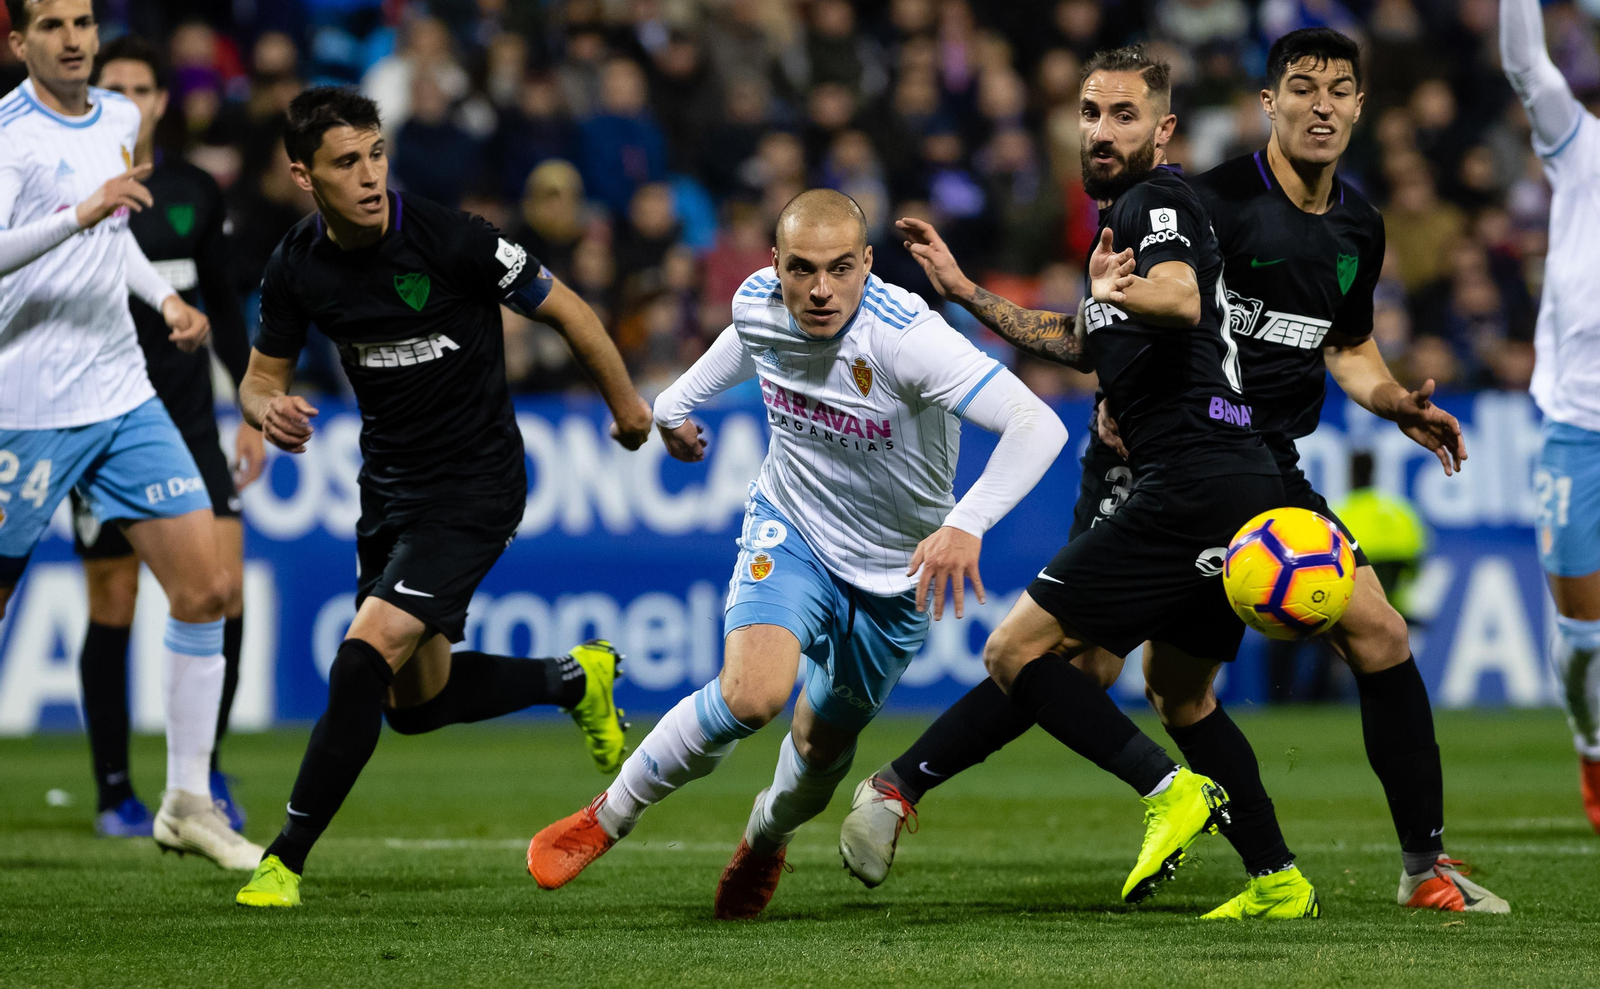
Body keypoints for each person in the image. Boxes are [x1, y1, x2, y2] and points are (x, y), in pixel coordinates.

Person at [842, 31, 1511, 914]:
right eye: (1301, 88)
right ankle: (1270, 873)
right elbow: (1130, 322)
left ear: (1359, 106)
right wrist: (1076, 339)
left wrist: (1394, 402)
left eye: (1339, 91)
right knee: (1128, 676)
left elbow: (1345, 347)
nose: (1321, 105)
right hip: (1168, 454)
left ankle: (1421, 868)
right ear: (1267, 103)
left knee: (1363, 636)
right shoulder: (1206, 201)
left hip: (1243, 462)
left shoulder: (1358, 227)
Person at [848, 45, 1321, 918]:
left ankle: (1167, 793)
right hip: (1239, 484)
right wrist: (963, 292)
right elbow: (1075, 337)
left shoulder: (1157, 200)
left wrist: (1121, 293)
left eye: (1125, 115)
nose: (1103, 132)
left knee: (1015, 651)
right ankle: (1278, 880)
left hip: (1187, 482)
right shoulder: (1123, 228)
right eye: (1091, 114)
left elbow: (1177, 299)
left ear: (1164, 129)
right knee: (1179, 693)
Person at [525, 189, 1068, 920]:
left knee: (819, 744)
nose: (820, 290)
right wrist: (675, 408)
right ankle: (609, 815)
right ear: (774, 264)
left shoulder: (908, 338)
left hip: (894, 574)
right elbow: (743, 343)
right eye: (802, 269)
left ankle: (764, 837)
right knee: (753, 693)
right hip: (794, 529)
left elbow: (1038, 425)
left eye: (841, 269)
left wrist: (966, 522)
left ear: (868, 265)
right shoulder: (759, 303)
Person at [232, 87, 654, 909]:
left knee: (360, 659)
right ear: (302, 176)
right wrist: (264, 410)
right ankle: (576, 678)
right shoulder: (295, 265)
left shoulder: (452, 239)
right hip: (388, 489)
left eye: (375, 154)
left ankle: (283, 859)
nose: (367, 175)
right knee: (414, 706)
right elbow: (258, 379)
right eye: (345, 162)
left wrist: (629, 408)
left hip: (475, 487)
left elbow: (566, 307)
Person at [0, 0, 258, 870]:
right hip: (25, 409)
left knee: (208, 589)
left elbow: (113, 241)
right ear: (17, 42)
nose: (73, 38)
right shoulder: (8, 137)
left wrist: (164, 302)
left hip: (122, 396)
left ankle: (188, 797)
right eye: (52, 25)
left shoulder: (117, 118)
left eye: (83, 22)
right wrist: (81, 210)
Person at [75, 33, 264, 839]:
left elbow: (224, 308)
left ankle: (203, 766)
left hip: (187, 422)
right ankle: (114, 788)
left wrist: (255, 402)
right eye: (112, 87)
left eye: (142, 89)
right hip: (96, 420)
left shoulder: (193, 194)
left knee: (226, 586)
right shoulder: (69, 191)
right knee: (113, 599)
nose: (129, 101)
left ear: (161, 101)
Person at [1502, 0, 1600, 836]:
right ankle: (1593, 749)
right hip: (1579, 428)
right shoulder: (1584, 149)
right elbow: (1530, 71)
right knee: (1585, 642)